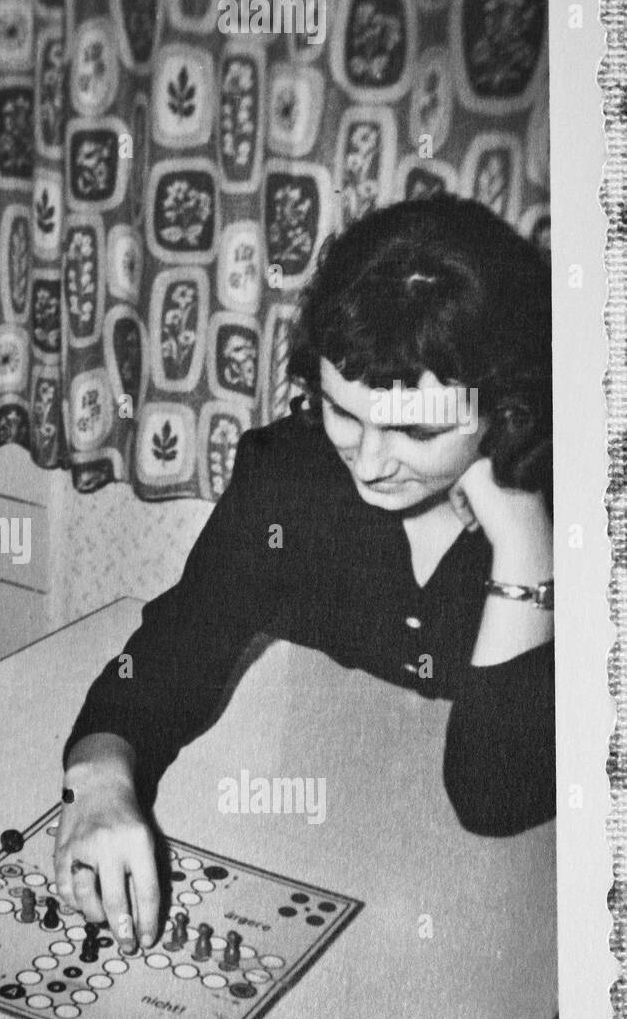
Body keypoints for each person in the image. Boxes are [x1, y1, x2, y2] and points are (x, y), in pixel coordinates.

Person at [55, 195, 554, 953]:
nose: (372, 461)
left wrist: (522, 535)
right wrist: (99, 781)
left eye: (417, 430)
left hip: (526, 893)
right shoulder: (292, 479)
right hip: (347, 844)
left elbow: (495, 795)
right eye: (345, 412)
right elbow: (172, 650)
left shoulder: (583, 508)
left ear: (508, 412)